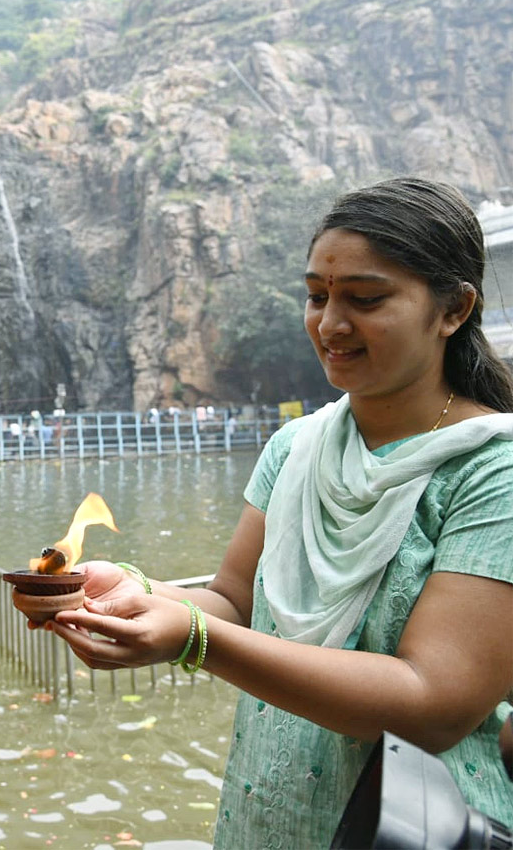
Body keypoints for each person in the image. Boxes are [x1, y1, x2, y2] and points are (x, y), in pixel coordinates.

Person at [45, 178, 513, 846]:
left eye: (366, 299)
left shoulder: (493, 473)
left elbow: (434, 702)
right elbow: (236, 600)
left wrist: (191, 638)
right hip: (268, 816)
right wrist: (136, 596)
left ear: (454, 309)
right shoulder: (297, 447)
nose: (330, 324)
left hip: (414, 828)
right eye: (318, 296)